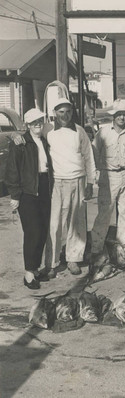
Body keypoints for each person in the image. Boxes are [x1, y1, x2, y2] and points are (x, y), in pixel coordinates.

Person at [47, 98, 95, 275]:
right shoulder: (48, 130)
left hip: (78, 181)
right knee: (55, 224)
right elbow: (30, 133)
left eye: (68, 111)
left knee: (77, 223)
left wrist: (90, 182)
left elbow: (89, 157)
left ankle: (73, 259)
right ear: (55, 113)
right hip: (57, 183)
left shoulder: (79, 131)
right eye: (61, 112)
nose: (65, 115)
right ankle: (52, 263)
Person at [5, 108, 52, 289]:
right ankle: (29, 273)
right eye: (33, 122)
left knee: (42, 230)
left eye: (40, 120)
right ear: (27, 125)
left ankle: (36, 268)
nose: (37, 124)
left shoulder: (44, 140)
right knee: (32, 232)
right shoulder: (20, 143)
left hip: (44, 188)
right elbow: (12, 172)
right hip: (28, 192)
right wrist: (15, 196)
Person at [91, 99, 125, 266]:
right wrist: (101, 171)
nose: (122, 117)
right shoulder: (103, 133)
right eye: (119, 114)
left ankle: (121, 249)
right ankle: (96, 249)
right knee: (105, 213)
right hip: (109, 175)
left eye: (124, 114)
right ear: (113, 116)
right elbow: (95, 153)